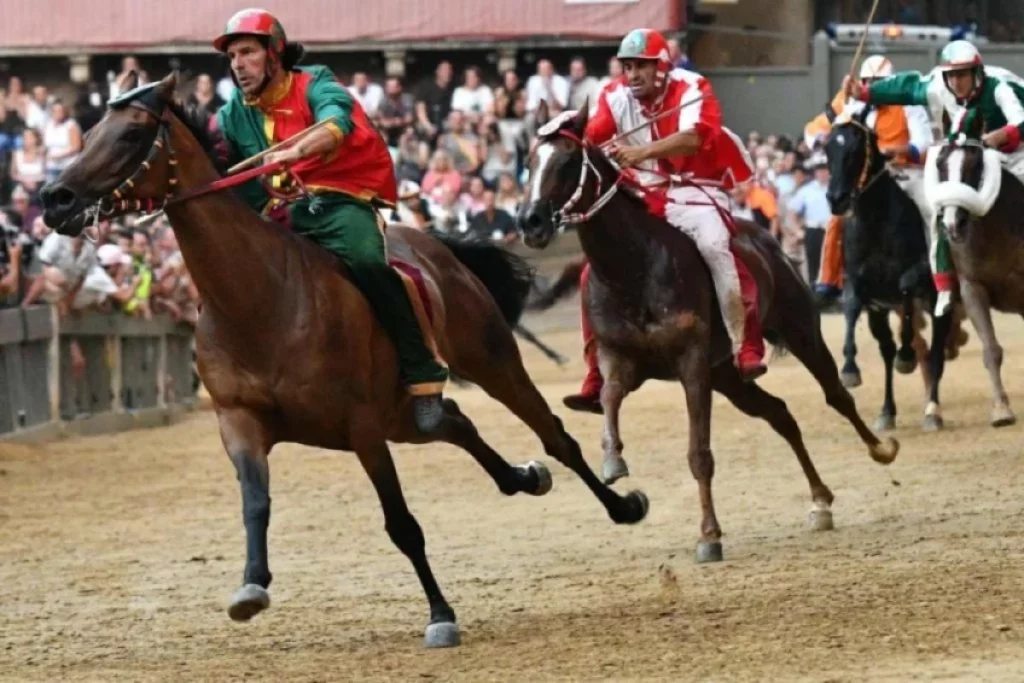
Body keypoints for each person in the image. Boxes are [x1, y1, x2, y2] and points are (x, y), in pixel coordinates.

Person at [211, 8, 448, 433]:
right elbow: (218, 166)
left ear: (274, 53)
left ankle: (423, 376)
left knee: (368, 261)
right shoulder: (231, 113)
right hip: (274, 217)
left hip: (337, 199)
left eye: (247, 52)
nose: (237, 65)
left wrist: (297, 151)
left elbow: (336, 121)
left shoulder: (315, 82)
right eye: (232, 57)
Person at [561, 28, 762, 413]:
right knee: (591, 273)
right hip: (645, 190)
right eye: (627, 66)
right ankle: (595, 373)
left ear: (662, 68)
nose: (632, 74)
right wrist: (566, 135)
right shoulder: (614, 95)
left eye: (641, 67)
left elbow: (692, 139)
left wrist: (640, 154)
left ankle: (746, 343)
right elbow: (595, 133)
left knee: (715, 245)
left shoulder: (693, 87)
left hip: (695, 187)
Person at [846, 40, 1024, 315]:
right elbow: (906, 87)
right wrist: (865, 93)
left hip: (1018, 151)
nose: (956, 82)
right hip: (979, 152)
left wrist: (1002, 135)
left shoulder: (1000, 86)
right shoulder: (940, 86)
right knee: (941, 204)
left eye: (962, 74)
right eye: (951, 75)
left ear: (977, 72)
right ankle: (945, 283)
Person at [806, 55, 934, 304]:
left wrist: (899, 150)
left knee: (932, 213)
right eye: (868, 82)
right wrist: (820, 139)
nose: (872, 88)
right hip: (866, 179)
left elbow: (924, 144)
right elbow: (814, 127)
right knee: (836, 218)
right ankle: (829, 281)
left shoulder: (907, 105)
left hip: (905, 173)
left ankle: (939, 271)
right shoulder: (850, 104)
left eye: (879, 83)